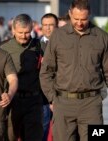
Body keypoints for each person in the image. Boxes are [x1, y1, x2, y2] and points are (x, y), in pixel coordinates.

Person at [39, 0, 108, 141]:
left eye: (84, 19)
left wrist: (100, 96)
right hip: (63, 104)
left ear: (90, 15)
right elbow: (46, 72)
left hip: (92, 106)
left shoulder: (102, 37)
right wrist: (53, 98)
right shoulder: (57, 36)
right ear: (70, 14)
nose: (80, 22)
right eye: (76, 19)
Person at [0, 13, 44, 141]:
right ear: (13, 30)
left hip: (34, 101)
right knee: (10, 137)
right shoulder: (3, 48)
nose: (24, 36)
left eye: (27, 32)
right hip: (13, 101)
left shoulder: (40, 46)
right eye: (20, 32)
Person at [40, 13, 58, 141]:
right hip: (42, 98)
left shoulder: (65, 45)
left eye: (51, 25)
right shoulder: (35, 46)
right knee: (43, 130)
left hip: (62, 96)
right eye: (45, 25)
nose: (48, 28)